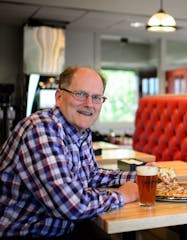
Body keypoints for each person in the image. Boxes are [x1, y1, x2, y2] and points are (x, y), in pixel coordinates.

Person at [0, 66, 139, 239]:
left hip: (61, 227)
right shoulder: (41, 128)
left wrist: (136, 177)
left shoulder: (80, 131)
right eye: (80, 94)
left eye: (96, 97)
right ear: (59, 97)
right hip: (25, 231)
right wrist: (122, 195)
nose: (89, 104)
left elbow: (90, 176)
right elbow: (70, 204)